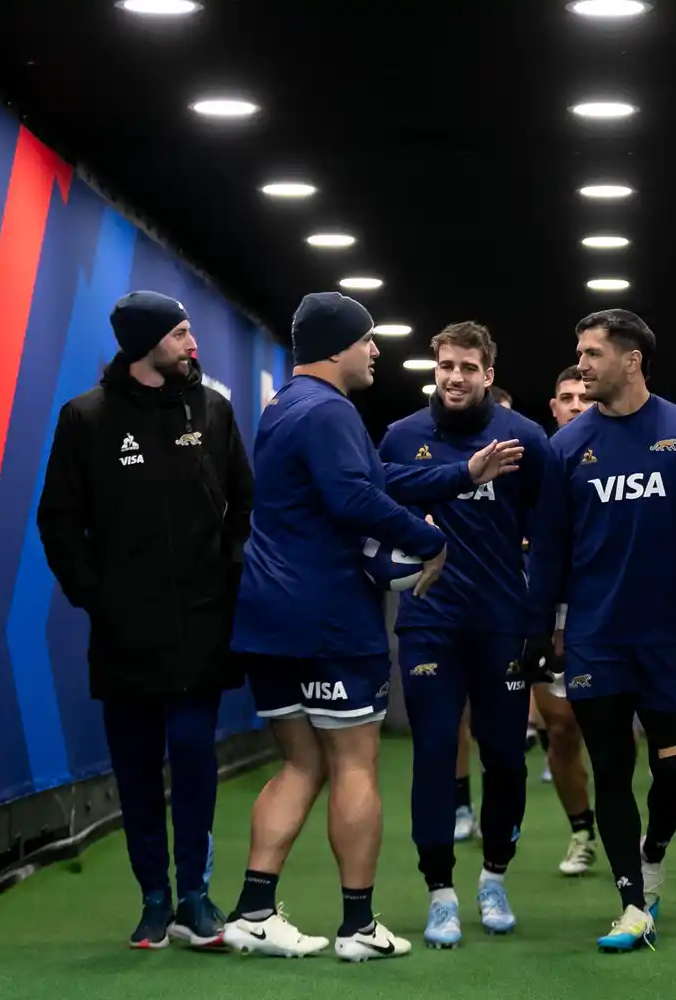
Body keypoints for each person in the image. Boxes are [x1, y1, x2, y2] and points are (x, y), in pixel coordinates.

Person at [217, 292, 522, 963]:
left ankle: (253, 910)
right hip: (325, 618)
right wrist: (428, 542)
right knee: (354, 764)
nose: (376, 351)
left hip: (269, 617)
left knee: (301, 764)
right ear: (337, 346)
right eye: (366, 340)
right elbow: (355, 497)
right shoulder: (330, 410)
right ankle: (357, 926)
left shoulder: (287, 407)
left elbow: (373, 476)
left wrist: (458, 474)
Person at [37, 290, 254, 950]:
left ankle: (195, 894)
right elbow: (57, 520)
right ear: (145, 343)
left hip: (200, 628)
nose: (193, 343)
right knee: (135, 768)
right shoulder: (87, 418)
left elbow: (244, 504)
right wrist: (95, 595)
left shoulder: (213, 410)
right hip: (123, 633)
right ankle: (153, 899)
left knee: (192, 756)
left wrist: (227, 574)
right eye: (181, 332)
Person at [522, 309, 676, 952]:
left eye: (592, 354)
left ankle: (653, 852)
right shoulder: (565, 447)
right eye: (580, 352)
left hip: (671, 636)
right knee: (612, 770)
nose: (581, 365)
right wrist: (539, 629)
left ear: (632, 358)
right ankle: (632, 903)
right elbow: (549, 549)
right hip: (596, 638)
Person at [378, 322, 553, 947]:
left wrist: (544, 618)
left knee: (505, 757)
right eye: (446, 365)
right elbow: (377, 494)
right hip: (430, 622)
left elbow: (551, 529)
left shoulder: (525, 439)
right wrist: (463, 475)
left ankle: (494, 877)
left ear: (488, 373)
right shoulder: (402, 437)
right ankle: (441, 894)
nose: (455, 377)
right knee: (431, 752)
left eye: (468, 367)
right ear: (435, 367)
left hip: (502, 624)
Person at [527, 364, 599, 876]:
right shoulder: (531, 464)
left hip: (608, 610)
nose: (575, 404)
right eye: (566, 397)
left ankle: (631, 827)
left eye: (584, 396)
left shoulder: (629, 455)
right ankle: (581, 830)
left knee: (614, 727)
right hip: (546, 612)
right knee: (562, 730)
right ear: (553, 408)